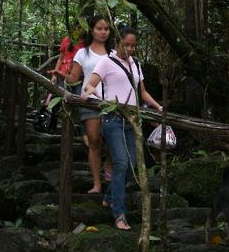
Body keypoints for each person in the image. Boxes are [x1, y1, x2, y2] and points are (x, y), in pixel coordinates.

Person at [81, 26, 163, 231]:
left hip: (132, 120)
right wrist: (91, 93)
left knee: (132, 165)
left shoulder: (135, 63)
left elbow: (142, 92)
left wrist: (158, 107)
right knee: (121, 163)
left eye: (133, 46)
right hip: (113, 119)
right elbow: (90, 84)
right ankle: (119, 214)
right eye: (126, 45)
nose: (130, 49)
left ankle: (110, 196)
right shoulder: (106, 62)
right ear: (118, 43)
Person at [55, 16, 115, 194]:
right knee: (94, 141)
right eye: (99, 28)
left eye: (106, 29)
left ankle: (108, 166)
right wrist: (60, 74)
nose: (103, 32)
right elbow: (74, 78)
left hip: (111, 102)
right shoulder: (82, 53)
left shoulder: (114, 54)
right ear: (91, 30)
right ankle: (97, 183)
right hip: (89, 101)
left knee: (111, 139)